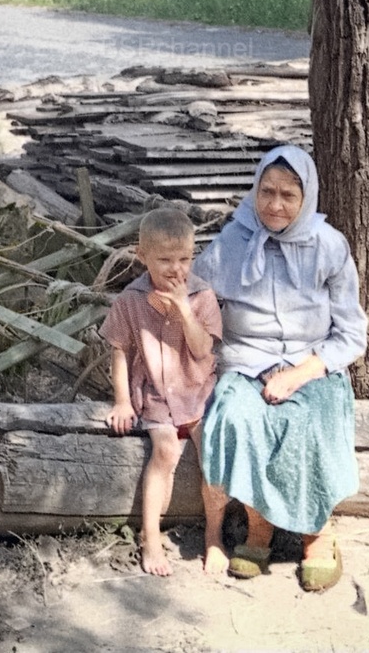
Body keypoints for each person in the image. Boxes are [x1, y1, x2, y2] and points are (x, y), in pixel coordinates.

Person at [193, 145, 368, 593]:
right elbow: (192, 292)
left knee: (305, 420)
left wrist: (298, 374)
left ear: (305, 196)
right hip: (245, 360)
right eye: (266, 191)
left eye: (288, 195)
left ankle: (318, 534)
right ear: (254, 191)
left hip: (309, 363)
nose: (274, 204)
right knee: (234, 414)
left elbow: (351, 335)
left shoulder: (327, 245)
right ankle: (260, 526)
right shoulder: (233, 240)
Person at [101, 207, 229, 576]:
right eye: (165, 260)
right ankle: (151, 538)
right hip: (156, 395)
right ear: (142, 257)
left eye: (185, 259)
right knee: (165, 451)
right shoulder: (129, 300)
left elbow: (203, 350)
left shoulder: (202, 296)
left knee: (214, 455)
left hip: (199, 392)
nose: (177, 269)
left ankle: (214, 536)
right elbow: (120, 351)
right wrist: (123, 401)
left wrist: (184, 310)